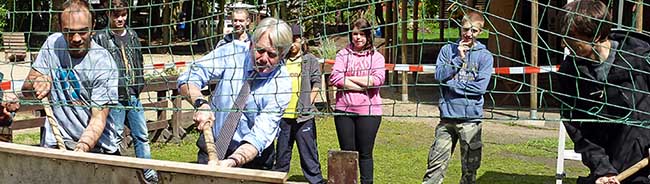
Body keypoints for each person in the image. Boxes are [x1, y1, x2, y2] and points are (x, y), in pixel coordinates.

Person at [177, 17, 292, 169]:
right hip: (211, 145)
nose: (264, 59)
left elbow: (260, 135)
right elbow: (188, 77)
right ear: (251, 44)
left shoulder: (282, 84)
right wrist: (201, 104)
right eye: (260, 50)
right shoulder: (232, 52)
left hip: (251, 159)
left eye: (272, 54)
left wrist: (231, 162)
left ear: (282, 55)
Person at [556, 1, 650, 184]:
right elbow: (578, 129)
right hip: (610, 171)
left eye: (571, 36)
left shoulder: (642, 60)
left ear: (597, 35)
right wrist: (602, 170)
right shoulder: (569, 74)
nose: (563, 44)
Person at [21, 0, 120, 154]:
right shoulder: (52, 44)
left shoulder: (103, 62)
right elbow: (26, 91)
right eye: (69, 32)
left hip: (97, 148)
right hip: (56, 144)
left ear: (93, 26)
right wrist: (37, 81)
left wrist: (80, 150)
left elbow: (98, 119)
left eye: (82, 31)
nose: (76, 38)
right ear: (60, 27)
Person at [422, 10, 493, 184]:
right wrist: (458, 60)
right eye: (465, 29)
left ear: (480, 32)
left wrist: (451, 84)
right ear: (460, 28)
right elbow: (439, 76)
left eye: (473, 31)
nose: (468, 34)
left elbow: (479, 88)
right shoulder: (448, 50)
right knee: (434, 168)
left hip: (470, 120)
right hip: (447, 118)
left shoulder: (485, 56)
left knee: (469, 172)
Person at [92, 0, 158, 182]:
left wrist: (139, 84)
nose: (120, 19)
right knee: (113, 137)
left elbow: (139, 61)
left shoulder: (133, 35)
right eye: (116, 15)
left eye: (123, 15)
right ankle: (112, 173)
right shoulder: (100, 38)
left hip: (133, 94)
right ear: (108, 15)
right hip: (114, 96)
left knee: (141, 135)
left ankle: (148, 172)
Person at [329, 18, 386, 184]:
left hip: (369, 112)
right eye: (355, 34)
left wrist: (349, 79)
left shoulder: (376, 57)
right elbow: (335, 77)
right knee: (347, 153)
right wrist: (362, 85)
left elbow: (377, 80)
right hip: (344, 111)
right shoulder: (343, 54)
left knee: (365, 153)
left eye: (362, 34)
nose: (358, 37)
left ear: (368, 35)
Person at [271, 24, 324, 184]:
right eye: (290, 40)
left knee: (308, 153)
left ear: (302, 40)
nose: (293, 44)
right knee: (282, 155)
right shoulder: (280, 61)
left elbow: (316, 83)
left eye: (296, 39)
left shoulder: (310, 60)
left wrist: (308, 102)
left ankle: (316, 180)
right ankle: (277, 179)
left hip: (303, 117)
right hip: (283, 116)